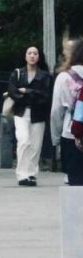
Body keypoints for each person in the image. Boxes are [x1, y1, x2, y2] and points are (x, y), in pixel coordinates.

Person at [7, 46, 52, 186]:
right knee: (24, 140)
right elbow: (12, 91)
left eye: (35, 53)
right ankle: (22, 174)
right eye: (29, 53)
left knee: (35, 145)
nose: (32, 56)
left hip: (38, 114)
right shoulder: (17, 73)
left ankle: (31, 174)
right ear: (25, 56)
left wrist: (27, 92)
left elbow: (45, 96)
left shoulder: (45, 76)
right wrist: (29, 96)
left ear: (39, 56)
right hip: (21, 112)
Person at [50, 39, 83, 186]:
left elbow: (56, 111)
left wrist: (56, 138)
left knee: (75, 183)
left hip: (71, 133)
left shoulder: (64, 77)